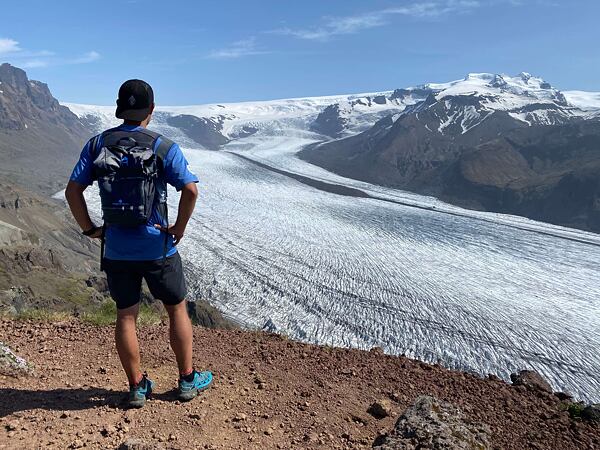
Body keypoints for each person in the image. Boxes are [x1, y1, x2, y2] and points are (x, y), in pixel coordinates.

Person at [65, 79, 212, 408]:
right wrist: (180, 228)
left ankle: (136, 387)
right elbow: (190, 190)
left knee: (126, 316)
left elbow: (72, 190)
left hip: (117, 248)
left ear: (120, 109)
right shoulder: (164, 147)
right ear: (152, 110)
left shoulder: (97, 145)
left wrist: (91, 230)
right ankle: (187, 381)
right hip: (158, 246)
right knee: (176, 309)